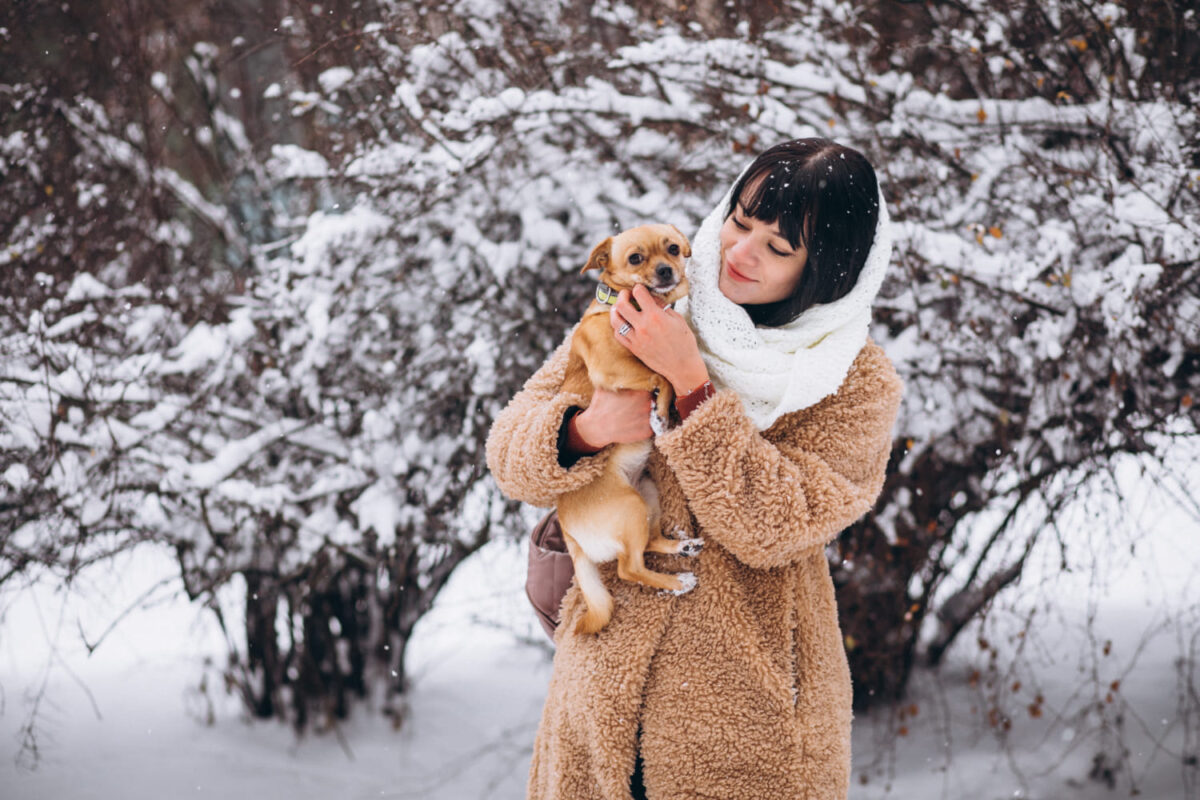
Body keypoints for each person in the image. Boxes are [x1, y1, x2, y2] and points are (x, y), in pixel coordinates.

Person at [485, 138, 903, 800]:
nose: (739, 253)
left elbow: (775, 525)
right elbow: (511, 453)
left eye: (778, 247)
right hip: (601, 704)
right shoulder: (653, 293)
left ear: (827, 270)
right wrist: (582, 430)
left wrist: (691, 384)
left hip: (751, 727)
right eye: (740, 220)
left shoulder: (854, 381)